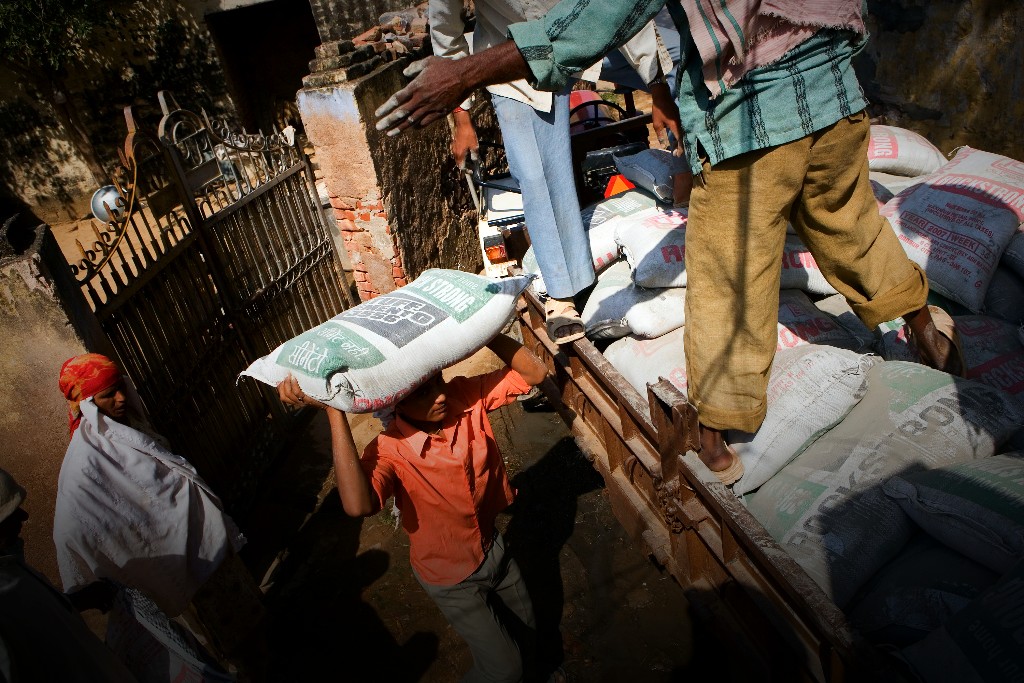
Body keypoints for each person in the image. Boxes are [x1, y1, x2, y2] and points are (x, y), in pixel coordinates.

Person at [375, 0, 963, 485]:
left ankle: (714, 433)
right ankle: (924, 329)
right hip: (835, 95)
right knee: (847, 221)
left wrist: (463, 74)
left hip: (753, 120)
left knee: (728, 275)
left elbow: (598, 19)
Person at [277, 332, 550, 682]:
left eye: (438, 380)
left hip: (492, 547)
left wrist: (485, 330)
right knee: (504, 668)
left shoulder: (464, 395)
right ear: (396, 404)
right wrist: (334, 412)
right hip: (450, 578)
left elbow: (534, 374)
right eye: (422, 392)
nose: (440, 395)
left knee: (527, 632)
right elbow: (358, 505)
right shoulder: (390, 450)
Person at [430, 0, 682, 344]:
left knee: (683, 60)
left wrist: (657, 87)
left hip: (585, 35)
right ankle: (562, 293)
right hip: (512, 64)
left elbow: (622, 7)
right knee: (536, 176)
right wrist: (462, 116)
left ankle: (689, 186)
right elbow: (445, 31)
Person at [54, 353, 266, 678]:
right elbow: (70, 528)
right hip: (173, 570)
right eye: (108, 394)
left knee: (250, 626)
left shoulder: (126, 428)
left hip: (206, 544)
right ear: (86, 403)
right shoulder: (84, 465)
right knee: (222, 647)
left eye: (120, 387)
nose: (121, 398)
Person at [0, 466, 139, 682]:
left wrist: (74, 601)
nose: (24, 516)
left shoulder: (10, 563)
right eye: (10, 514)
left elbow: (34, 624)